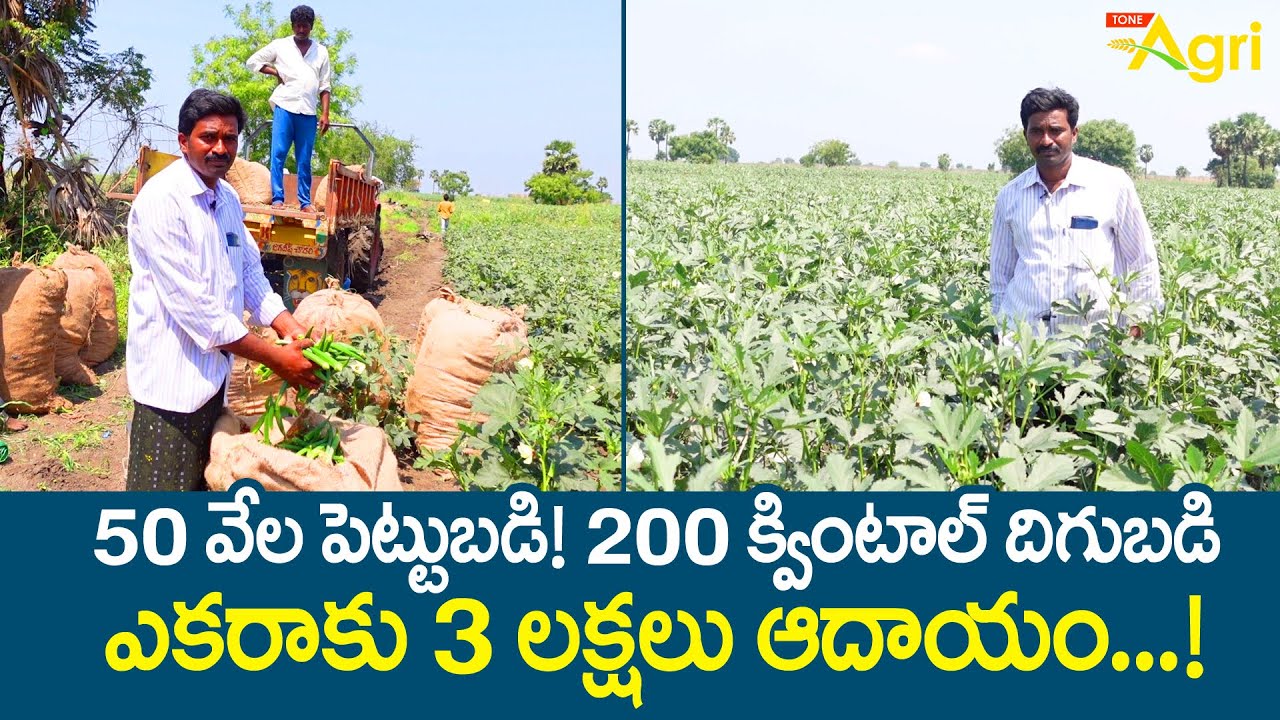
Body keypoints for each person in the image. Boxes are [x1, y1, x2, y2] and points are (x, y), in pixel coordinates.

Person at [125, 89, 321, 491]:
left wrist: (289, 326)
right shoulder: (163, 201)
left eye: (229, 138)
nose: (220, 148)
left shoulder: (228, 198)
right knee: (158, 504)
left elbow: (250, 274)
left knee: (204, 487)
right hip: (171, 388)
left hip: (215, 382)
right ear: (183, 141)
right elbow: (198, 311)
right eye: (208, 137)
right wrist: (277, 359)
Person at [989, 87, 1163, 341]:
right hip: (1024, 341)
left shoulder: (1113, 184)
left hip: (1093, 342)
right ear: (1026, 135)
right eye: (1036, 131)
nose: (1046, 140)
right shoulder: (1010, 195)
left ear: (1074, 134)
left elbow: (1142, 260)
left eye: (1056, 130)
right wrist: (999, 328)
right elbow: (1000, 274)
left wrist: (1139, 321)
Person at [245, 4, 332, 212]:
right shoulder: (280, 45)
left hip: (308, 112)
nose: (301, 30)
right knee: (278, 154)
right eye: (297, 26)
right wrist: (275, 72)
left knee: (304, 159)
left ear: (311, 26)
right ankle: (277, 198)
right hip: (284, 107)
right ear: (292, 26)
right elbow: (252, 62)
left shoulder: (321, 51)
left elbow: (325, 85)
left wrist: (325, 114)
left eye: (305, 26)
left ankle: (305, 202)